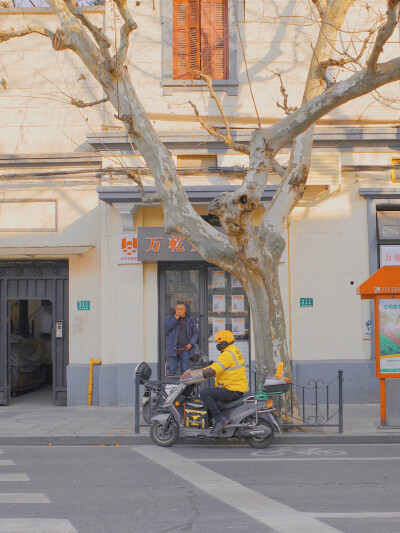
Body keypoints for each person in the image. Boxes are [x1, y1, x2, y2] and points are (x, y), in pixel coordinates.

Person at [199, 330, 248, 434]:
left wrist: (199, 374)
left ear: (224, 342)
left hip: (232, 389)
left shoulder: (227, 354)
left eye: (218, 342)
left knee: (204, 393)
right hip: (235, 387)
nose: (217, 344)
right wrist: (206, 369)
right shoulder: (233, 350)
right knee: (213, 395)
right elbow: (218, 366)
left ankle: (220, 419)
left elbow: (215, 370)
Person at [163, 302, 199, 375]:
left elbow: (195, 333)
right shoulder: (171, 318)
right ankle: (172, 386)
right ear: (175, 310)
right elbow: (166, 328)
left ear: (185, 310)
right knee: (172, 371)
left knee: (185, 371)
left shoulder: (190, 319)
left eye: (181, 309)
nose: (179, 311)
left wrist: (191, 344)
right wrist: (175, 319)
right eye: (177, 309)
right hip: (173, 349)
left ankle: (185, 386)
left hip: (185, 349)